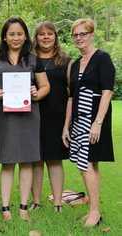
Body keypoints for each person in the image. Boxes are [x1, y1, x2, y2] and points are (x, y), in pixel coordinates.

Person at [0, 17, 50, 221]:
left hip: (29, 116)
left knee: (27, 161)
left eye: (19, 34)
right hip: (5, 117)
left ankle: (23, 207)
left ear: (25, 36)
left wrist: (36, 93)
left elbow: (45, 86)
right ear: (5, 36)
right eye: (11, 34)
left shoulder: (33, 59)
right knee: (8, 162)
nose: (15, 37)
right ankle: (5, 209)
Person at [62, 18, 115, 227]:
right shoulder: (75, 64)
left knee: (87, 164)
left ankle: (94, 212)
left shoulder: (102, 58)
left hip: (94, 119)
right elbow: (71, 97)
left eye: (82, 34)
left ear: (92, 34)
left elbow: (107, 91)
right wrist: (67, 126)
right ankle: (94, 209)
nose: (78, 38)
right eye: (75, 35)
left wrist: (98, 123)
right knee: (87, 163)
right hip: (78, 120)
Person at [31, 21, 71, 212]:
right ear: (36, 38)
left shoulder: (65, 61)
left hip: (57, 115)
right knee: (35, 160)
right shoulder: (28, 59)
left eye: (50, 33)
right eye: (41, 34)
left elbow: (72, 92)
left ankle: (57, 203)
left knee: (54, 160)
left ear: (55, 37)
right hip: (32, 114)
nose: (46, 37)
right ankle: (36, 202)